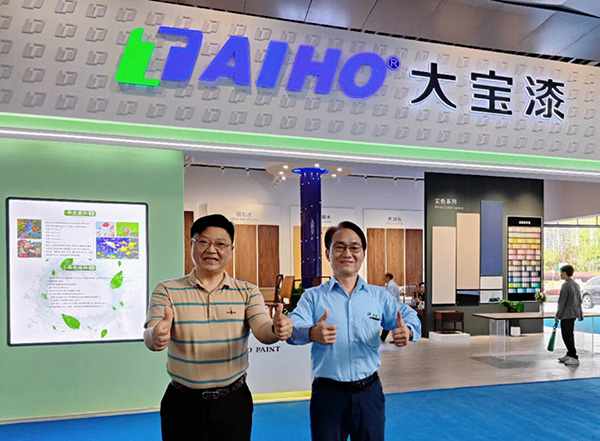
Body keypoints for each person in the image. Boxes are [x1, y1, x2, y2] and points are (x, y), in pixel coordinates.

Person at [144, 214, 293, 441]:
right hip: (182, 403)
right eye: (203, 241)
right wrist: (155, 335)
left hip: (233, 402)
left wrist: (276, 329)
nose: (211, 250)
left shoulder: (247, 291)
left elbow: (263, 329)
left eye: (220, 244)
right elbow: (151, 333)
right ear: (191, 244)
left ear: (231, 249)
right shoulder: (166, 290)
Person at [288, 221, 421, 441]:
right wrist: (311, 332)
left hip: (368, 394)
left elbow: (408, 315)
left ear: (363, 254)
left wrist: (408, 330)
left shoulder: (379, 297)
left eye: (354, 247)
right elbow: (292, 329)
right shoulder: (312, 297)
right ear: (328, 254)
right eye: (339, 247)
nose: (347, 253)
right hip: (328, 396)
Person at [556, 264, 583, 366]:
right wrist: (580, 313)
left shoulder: (566, 285)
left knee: (566, 336)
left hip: (566, 315)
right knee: (569, 335)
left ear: (565, 273)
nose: (560, 274)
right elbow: (579, 301)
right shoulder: (576, 285)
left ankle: (574, 356)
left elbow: (562, 302)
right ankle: (569, 354)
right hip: (573, 314)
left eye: (561, 272)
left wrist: (558, 315)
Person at [380, 273, 401, 342]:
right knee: (390, 321)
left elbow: (389, 297)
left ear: (388, 277)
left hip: (391, 306)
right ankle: (383, 337)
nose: (383, 279)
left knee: (390, 321)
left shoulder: (390, 286)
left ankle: (395, 337)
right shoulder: (394, 284)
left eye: (385, 277)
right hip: (394, 305)